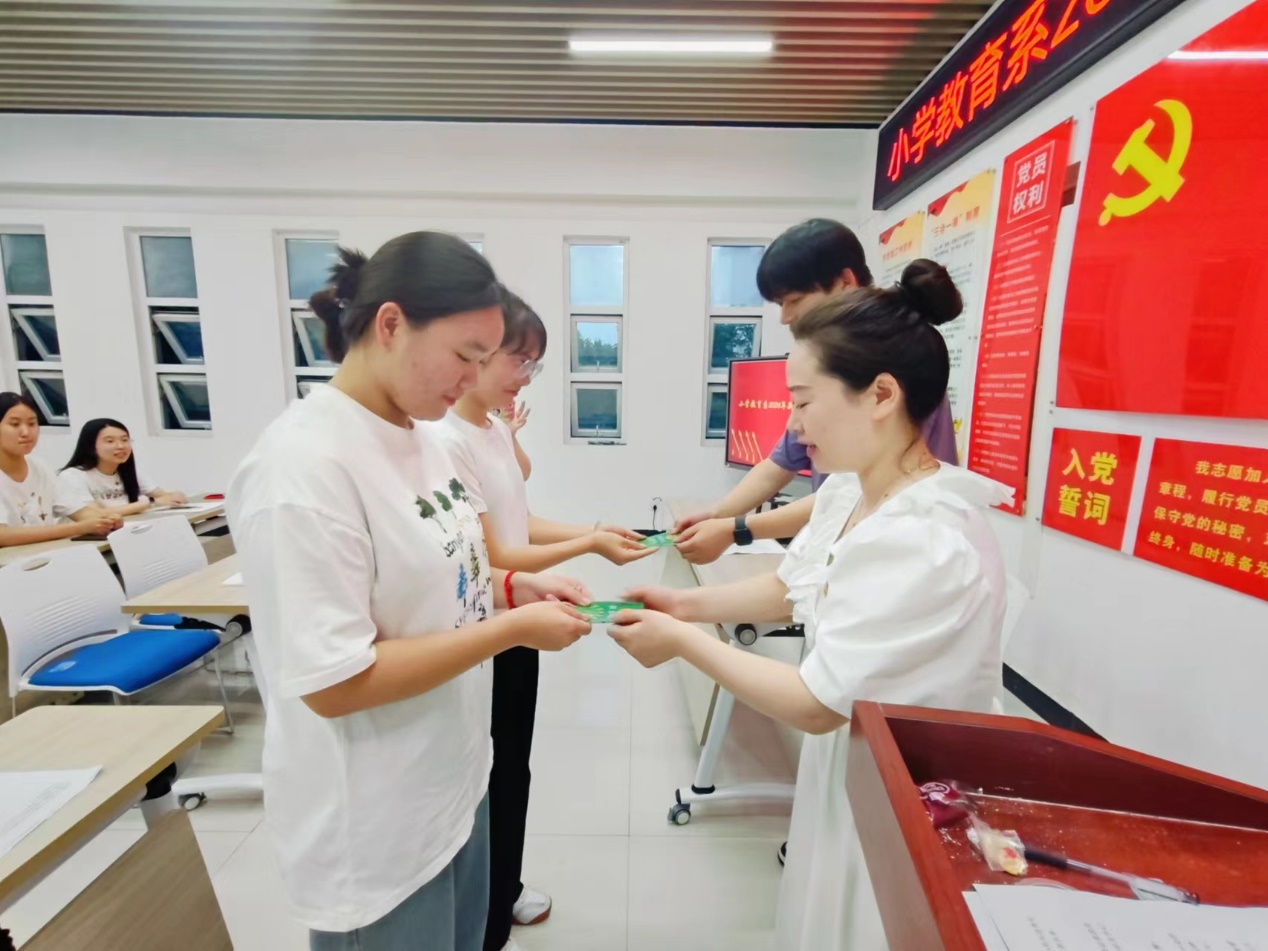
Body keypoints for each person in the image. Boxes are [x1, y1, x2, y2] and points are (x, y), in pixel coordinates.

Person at [610, 260, 1011, 951]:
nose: (794, 425)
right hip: (846, 771)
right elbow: (789, 587)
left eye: (802, 401)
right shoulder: (850, 488)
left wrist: (680, 641)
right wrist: (680, 603)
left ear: (880, 394)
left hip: (903, 796)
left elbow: (816, 701)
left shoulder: (923, 538)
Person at [227, 232, 594, 951]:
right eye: (466, 355)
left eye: (487, 359)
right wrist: (511, 629)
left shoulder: (423, 437)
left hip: (454, 782)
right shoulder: (303, 468)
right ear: (391, 324)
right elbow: (336, 682)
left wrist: (511, 586)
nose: (475, 377)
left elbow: (447, 570)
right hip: (377, 826)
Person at [428, 286, 651, 951]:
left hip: (518, 611)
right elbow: (494, 553)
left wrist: (589, 530)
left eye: (534, 363)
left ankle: (505, 884)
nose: (526, 376)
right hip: (490, 619)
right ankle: (490, 908)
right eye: (518, 360)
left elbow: (520, 519)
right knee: (492, 768)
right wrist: (589, 543)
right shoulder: (446, 439)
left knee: (512, 764)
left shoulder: (491, 427)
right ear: (477, 354)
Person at [673, 218, 958, 565]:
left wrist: (736, 529)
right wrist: (718, 515)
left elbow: (847, 496)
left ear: (845, 282)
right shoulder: (832, 360)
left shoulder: (892, 356)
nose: (785, 317)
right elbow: (781, 464)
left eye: (793, 300)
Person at [0, 393, 121, 547]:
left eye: (32, 424)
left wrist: (106, 520)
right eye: (15, 424)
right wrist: (78, 528)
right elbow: (2, 536)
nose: (26, 432)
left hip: (45, 554)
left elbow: (76, 509)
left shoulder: (40, 466)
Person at [58, 417, 187, 517]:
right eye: (110, 441)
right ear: (90, 446)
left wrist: (175, 496)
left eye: (125, 440)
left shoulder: (127, 471)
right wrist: (150, 503)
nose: (120, 446)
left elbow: (164, 496)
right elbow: (94, 515)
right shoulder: (72, 476)